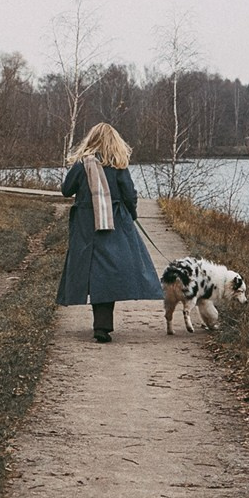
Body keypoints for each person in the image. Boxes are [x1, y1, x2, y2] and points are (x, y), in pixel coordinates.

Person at [55, 122, 162, 342]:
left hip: (86, 226)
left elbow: (66, 190)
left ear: (90, 141)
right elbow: (130, 195)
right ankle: (102, 325)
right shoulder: (119, 166)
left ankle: (101, 325)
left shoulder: (82, 165)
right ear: (115, 143)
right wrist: (131, 215)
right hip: (114, 222)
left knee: (94, 270)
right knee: (109, 270)